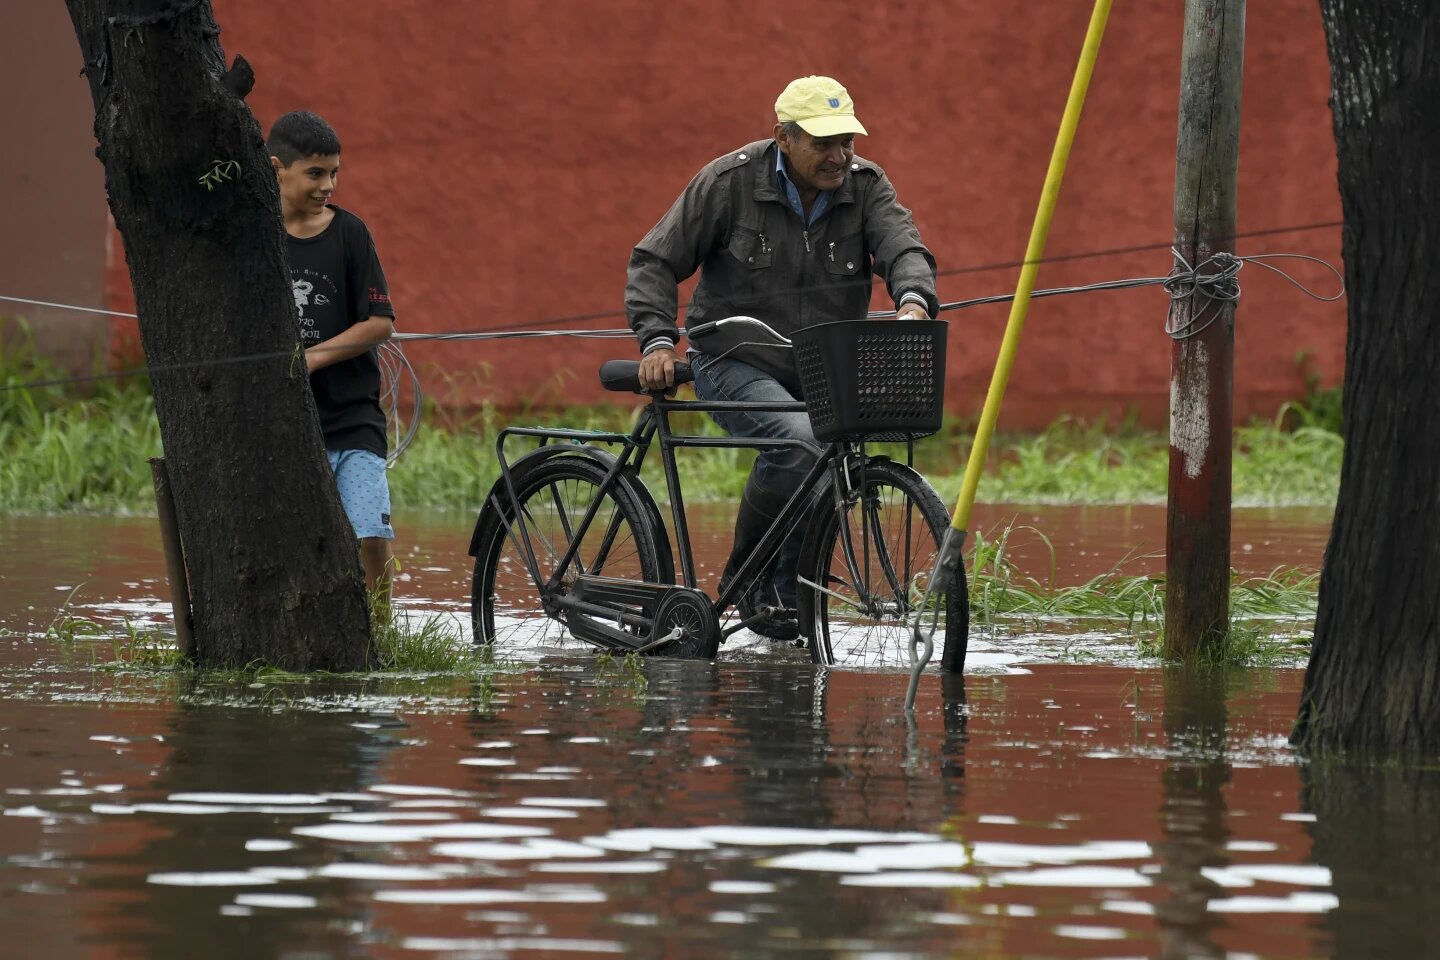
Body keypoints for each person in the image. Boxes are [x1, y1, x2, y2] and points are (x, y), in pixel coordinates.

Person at [625, 75, 938, 641]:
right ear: (783, 139)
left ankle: (786, 600)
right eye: (823, 142)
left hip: (822, 366)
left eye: (847, 140)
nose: (840, 155)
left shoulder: (866, 186)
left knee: (827, 457)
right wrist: (657, 342)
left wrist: (914, 302)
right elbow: (653, 260)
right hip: (731, 358)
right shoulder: (728, 181)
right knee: (800, 440)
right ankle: (747, 585)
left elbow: (903, 246)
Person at [268, 110, 398, 614]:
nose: (329, 185)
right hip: (286, 424)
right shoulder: (258, 238)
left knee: (369, 533)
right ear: (278, 168)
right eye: (315, 173)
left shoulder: (349, 233)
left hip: (353, 418)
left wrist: (314, 357)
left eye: (335, 173)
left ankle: (381, 624)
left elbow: (380, 322)